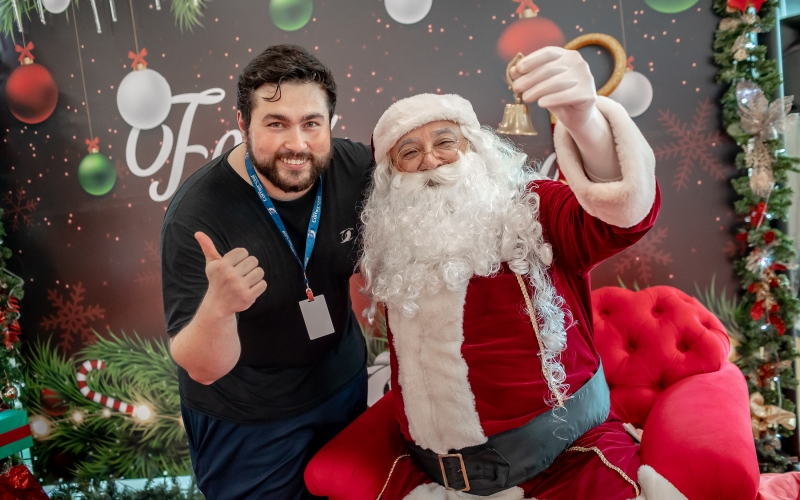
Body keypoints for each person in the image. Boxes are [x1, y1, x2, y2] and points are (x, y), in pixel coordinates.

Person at [357, 47, 680, 499]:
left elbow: (620, 218)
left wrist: (585, 121)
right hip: (437, 477)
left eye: (445, 142)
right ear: (391, 174)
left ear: (474, 147)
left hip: (565, 459)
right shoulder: (393, 242)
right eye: (409, 152)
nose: (430, 160)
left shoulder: (529, 208)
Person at [160, 44, 373, 499]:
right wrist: (218, 308)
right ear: (243, 124)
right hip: (249, 418)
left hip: (341, 385)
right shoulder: (197, 217)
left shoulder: (356, 169)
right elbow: (203, 369)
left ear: (330, 123)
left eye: (311, 123)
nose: (296, 144)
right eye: (276, 124)